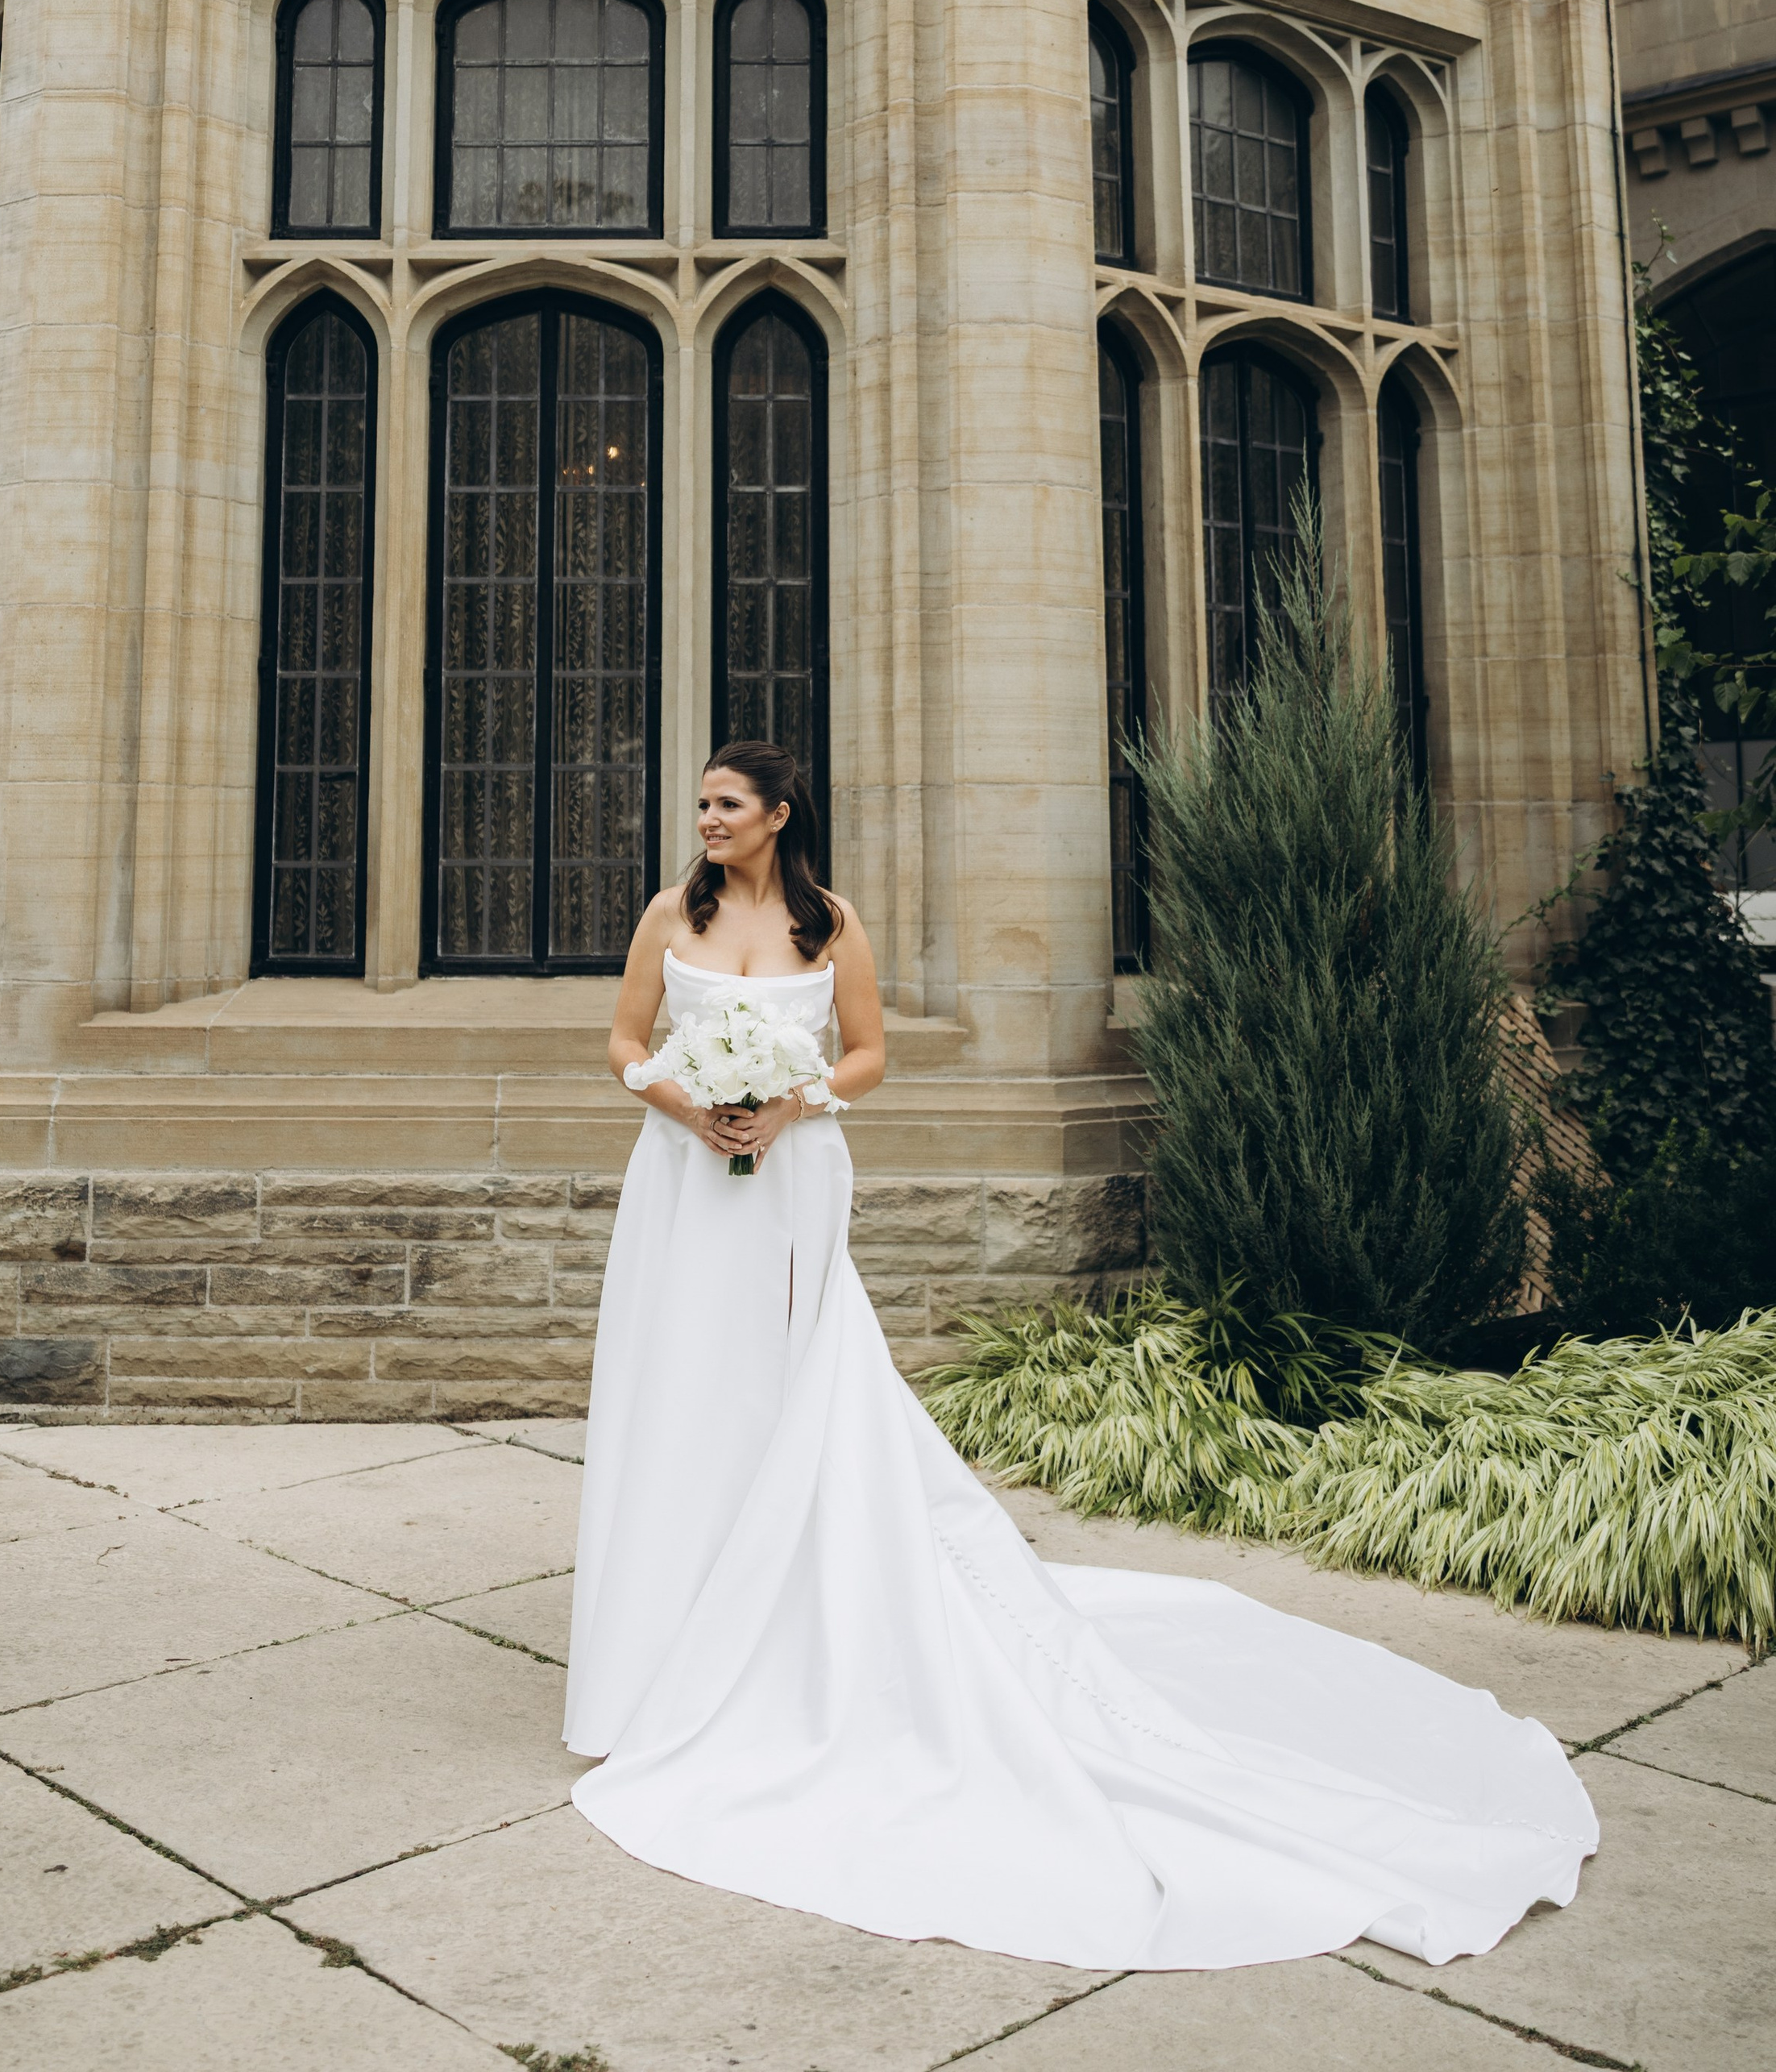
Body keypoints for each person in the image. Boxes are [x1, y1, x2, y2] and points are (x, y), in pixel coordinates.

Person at [563, 739, 1598, 1971]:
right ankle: (665, 1653)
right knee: (683, 1402)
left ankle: (793, 1628)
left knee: (788, 1393)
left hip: (790, 1185)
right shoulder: (662, 917)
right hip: (683, 1189)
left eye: (726, 806)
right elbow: (625, 1042)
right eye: (701, 807)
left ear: (780, 815)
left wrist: (788, 1107)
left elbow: (867, 1056)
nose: (707, 822)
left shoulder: (830, 924)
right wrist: (682, 1099)